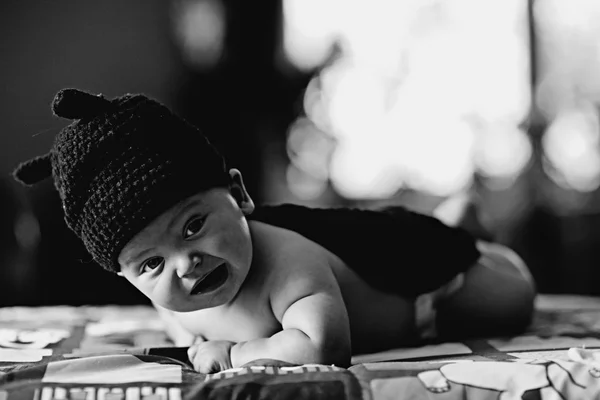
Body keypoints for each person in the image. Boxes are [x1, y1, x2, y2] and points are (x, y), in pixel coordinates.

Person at [13, 88, 536, 373]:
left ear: (238, 195)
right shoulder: (173, 290)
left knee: (514, 296)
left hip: (427, 286)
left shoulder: (287, 263)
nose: (185, 263)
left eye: (194, 225)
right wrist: (193, 336)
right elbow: (181, 326)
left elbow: (321, 346)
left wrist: (236, 353)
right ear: (128, 276)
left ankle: (460, 226)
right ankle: (453, 216)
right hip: (403, 267)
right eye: (151, 264)